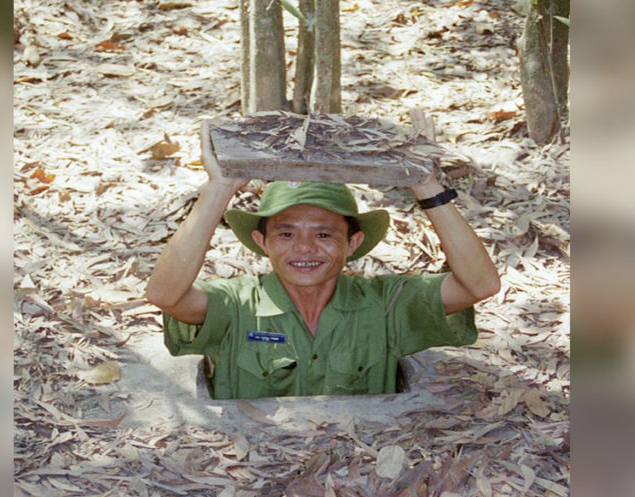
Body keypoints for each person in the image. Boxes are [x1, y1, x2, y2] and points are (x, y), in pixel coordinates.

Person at [146, 111, 500, 399]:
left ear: (353, 243)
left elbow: (479, 285)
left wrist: (427, 186)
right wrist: (220, 187)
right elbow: (166, 295)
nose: (304, 248)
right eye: (286, 233)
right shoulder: (237, 306)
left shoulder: (385, 307)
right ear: (261, 240)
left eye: (324, 234)